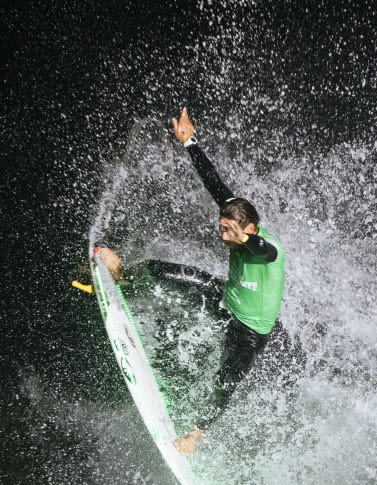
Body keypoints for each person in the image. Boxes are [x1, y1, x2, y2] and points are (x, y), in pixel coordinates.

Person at [95, 107, 286, 455]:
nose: (222, 235)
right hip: (226, 300)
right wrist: (190, 142)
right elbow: (214, 181)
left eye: (230, 232)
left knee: (227, 379)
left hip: (251, 332)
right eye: (222, 227)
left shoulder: (267, 247)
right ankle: (122, 276)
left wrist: (242, 240)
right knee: (161, 270)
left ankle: (196, 436)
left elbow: (264, 252)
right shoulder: (236, 214)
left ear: (250, 230)